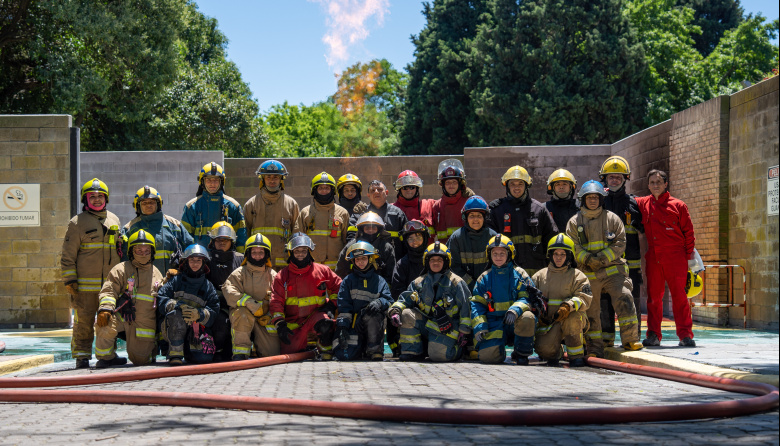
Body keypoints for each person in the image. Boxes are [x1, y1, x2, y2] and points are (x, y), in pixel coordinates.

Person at [566, 180, 643, 357]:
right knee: (591, 309)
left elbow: (620, 242)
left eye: (596, 197)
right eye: (589, 197)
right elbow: (573, 246)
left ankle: (630, 339)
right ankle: (595, 346)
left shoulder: (612, 219)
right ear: (582, 199)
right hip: (587, 273)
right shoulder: (574, 222)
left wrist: (601, 258)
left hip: (613, 270)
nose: (593, 200)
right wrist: (588, 259)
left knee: (624, 296)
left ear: (602, 199)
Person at [61, 178, 122, 369]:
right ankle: (82, 357)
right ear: (85, 200)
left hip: (109, 287)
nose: (96, 200)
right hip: (84, 288)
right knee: (83, 323)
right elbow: (67, 255)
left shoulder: (114, 220)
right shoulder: (77, 222)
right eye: (92, 197)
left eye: (100, 196)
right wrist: (70, 279)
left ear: (106, 198)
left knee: (108, 322)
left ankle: (107, 356)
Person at [636, 169, 697, 348]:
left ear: (665, 184)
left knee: (680, 297)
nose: (655, 185)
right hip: (654, 258)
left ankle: (685, 335)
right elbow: (626, 200)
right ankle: (654, 335)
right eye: (652, 182)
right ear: (648, 186)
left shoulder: (678, 206)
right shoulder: (643, 203)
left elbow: (689, 233)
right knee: (654, 298)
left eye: (659, 182)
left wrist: (689, 258)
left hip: (676, 257)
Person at [388, 242, 471, 362]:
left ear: (446, 262)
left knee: (438, 356)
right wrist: (395, 311)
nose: (436, 263)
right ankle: (413, 352)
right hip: (427, 324)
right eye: (432, 260)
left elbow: (466, 308)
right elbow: (404, 299)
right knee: (406, 314)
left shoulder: (456, 283)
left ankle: (458, 351)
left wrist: (464, 331)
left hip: (448, 328)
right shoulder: (419, 282)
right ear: (427, 262)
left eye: (439, 260)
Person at [94, 230, 163, 367]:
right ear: (131, 251)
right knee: (104, 321)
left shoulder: (157, 274)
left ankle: (149, 351)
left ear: (152, 251)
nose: (143, 254)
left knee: (141, 361)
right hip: (122, 317)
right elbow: (109, 290)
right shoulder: (120, 269)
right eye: (139, 250)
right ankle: (107, 357)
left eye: (146, 250)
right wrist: (106, 308)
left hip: (144, 323)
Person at [269, 233, 342, 359]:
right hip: (293, 324)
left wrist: (331, 305)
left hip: (317, 316)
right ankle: (305, 348)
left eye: (304, 250)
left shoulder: (322, 271)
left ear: (309, 251)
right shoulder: (282, 276)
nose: (301, 254)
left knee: (326, 324)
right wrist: (280, 324)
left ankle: (325, 350)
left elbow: (339, 287)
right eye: (297, 251)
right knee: (291, 355)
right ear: (290, 252)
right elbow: (276, 301)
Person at [470, 235, 538, 365]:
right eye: (495, 253)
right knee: (488, 358)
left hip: (516, 320)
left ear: (510, 254)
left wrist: (515, 310)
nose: (498, 257)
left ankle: (521, 354)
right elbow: (477, 306)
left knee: (528, 317)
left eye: (502, 253)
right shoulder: (484, 278)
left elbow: (528, 297)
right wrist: (480, 326)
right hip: (494, 324)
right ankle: (498, 349)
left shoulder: (520, 274)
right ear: (489, 255)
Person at [599, 156, 645, 347]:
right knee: (605, 302)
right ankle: (607, 340)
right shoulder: (598, 203)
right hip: (606, 266)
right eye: (611, 177)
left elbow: (642, 236)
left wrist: (644, 265)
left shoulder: (634, 205)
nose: (615, 180)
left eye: (618, 177)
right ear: (605, 179)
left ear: (625, 178)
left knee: (631, 303)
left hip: (631, 268)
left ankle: (633, 339)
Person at [532, 234, 593, 367]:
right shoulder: (539, 276)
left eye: (562, 254)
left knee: (573, 319)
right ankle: (555, 352)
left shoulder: (577, 276)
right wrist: (538, 314)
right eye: (556, 254)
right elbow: (530, 298)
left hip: (571, 318)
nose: (558, 258)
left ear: (569, 256)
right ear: (550, 255)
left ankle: (576, 356)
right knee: (545, 350)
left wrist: (568, 306)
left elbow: (585, 298)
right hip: (550, 323)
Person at [155, 244, 220, 365]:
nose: (195, 263)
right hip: (174, 327)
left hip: (195, 331)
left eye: (198, 260)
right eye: (192, 260)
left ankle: (190, 352)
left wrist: (199, 315)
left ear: (204, 263)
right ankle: (175, 355)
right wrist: (178, 306)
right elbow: (161, 298)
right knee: (176, 315)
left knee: (202, 359)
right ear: (186, 262)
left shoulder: (208, 287)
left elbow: (214, 310)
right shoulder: (176, 281)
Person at [488, 166, 558, 276]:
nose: (516, 188)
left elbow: (552, 239)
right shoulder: (497, 211)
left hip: (537, 272)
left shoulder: (539, 210)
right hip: (507, 273)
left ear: (526, 186)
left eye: (520, 184)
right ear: (507, 186)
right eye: (513, 184)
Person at [222, 234, 280, 360]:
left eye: (261, 252)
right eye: (254, 252)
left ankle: (257, 348)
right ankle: (240, 352)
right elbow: (229, 291)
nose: (257, 255)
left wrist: (269, 314)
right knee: (242, 315)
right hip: (243, 315)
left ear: (267, 254)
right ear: (248, 253)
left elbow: (279, 298)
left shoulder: (273, 275)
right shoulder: (239, 273)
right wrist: (249, 302)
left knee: (272, 354)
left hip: (264, 318)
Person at [333, 242, 393, 361]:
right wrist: (343, 327)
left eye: (364, 258)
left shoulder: (379, 281)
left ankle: (374, 351)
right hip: (354, 324)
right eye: (357, 259)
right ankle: (360, 349)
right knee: (344, 355)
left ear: (370, 259)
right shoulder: (348, 281)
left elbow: (389, 300)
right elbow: (344, 306)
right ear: (353, 261)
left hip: (372, 322)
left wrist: (379, 302)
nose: (360, 262)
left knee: (373, 315)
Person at [121, 185, 193, 273]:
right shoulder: (129, 229)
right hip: (142, 282)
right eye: (144, 203)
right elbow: (124, 259)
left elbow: (190, 249)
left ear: (158, 204)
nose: (149, 205)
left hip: (172, 280)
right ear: (138, 206)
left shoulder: (174, 225)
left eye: (152, 202)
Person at [244, 160, 300, 269]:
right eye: (268, 177)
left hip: (284, 265)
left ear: (281, 179)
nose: (272, 180)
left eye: (276, 177)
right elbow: (245, 232)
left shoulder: (291, 204)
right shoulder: (251, 204)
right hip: (259, 263)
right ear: (263, 179)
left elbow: (296, 234)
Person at [181, 162, 247, 253]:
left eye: (216, 180)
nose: (212, 184)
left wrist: (240, 258)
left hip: (227, 258)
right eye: (209, 180)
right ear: (202, 182)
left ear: (221, 182)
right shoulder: (191, 206)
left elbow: (241, 236)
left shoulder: (233, 206)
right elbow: (185, 238)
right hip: (200, 259)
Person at [388, 219, 430, 357]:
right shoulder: (402, 265)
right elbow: (397, 292)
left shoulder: (435, 260)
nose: (414, 241)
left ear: (425, 238)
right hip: (411, 312)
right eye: (410, 238)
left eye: (418, 237)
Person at [205, 222, 244, 362]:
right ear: (212, 241)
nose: (222, 243)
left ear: (232, 241)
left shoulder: (241, 259)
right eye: (218, 240)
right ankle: (217, 350)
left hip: (236, 304)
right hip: (213, 306)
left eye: (225, 240)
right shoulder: (205, 259)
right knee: (221, 323)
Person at [297, 172, 350, 271]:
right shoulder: (305, 213)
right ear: (314, 190)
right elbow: (299, 241)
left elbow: (346, 241)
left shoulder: (342, 213)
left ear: (332, 190)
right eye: (320, 188)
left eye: (327, 188)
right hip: (311, 269)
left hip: (336, 269)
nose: (324, 191)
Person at [447, 195, 497, 289]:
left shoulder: (493, 237)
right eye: (471, 216)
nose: (475, 219)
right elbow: (453, 267)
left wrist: (484, 283)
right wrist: (471, 285)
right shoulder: (456, 238)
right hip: (462, 288)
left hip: (489, 287)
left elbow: (497, 264)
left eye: (479, 216)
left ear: (484, 218)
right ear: (466, 218)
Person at [348, 180, 408, 256]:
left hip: (393, 262)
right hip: (366, 263)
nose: (376, 192)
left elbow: (407, 240)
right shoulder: (360, 214)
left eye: (379, 189)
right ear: (368, 195)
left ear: (386, 193)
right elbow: (351, 239)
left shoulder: (397, 214)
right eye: (372, 190)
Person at [336, 212, 395, 282]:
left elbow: (391, 272)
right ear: (361, 229)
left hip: (378, 287)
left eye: (374, 227)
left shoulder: (386, 247)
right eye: (367, 227)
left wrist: (384, 288)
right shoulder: (352, 246)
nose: (370, 230)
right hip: (355, 287)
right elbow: (341, 269)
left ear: (379, 229)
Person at [431, 159, 474, 243]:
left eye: (454, 182)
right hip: (445, 251)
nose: (451, 185)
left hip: (466, 250)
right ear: (442, 185)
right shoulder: (437, 206)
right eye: (447, 183)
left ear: (460, 184)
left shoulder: (468, 201)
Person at [545, 169, 579, 235]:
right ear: (552, 188)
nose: (561, 187)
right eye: (557, 184)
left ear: (571, 187)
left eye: (564, 184)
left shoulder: (580, 206)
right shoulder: (544, 208)